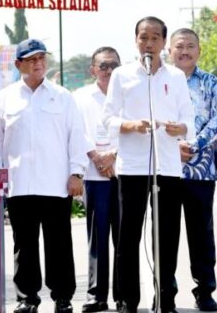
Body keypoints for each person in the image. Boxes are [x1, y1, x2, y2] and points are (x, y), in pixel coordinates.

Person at [0, 38, 89, 313]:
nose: (38, 63)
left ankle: (63, 298)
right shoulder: (5, 97)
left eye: (42, 58)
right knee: (24, 245)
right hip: (19, 184)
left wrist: (77, 172)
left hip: (56, 183)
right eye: (31, 59)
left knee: (59, 244)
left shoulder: (63, 96)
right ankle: (27, 298)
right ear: (19, 64)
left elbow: (76, 137)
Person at [102, 16, 195, 313]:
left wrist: (179, 129)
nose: (149, 43)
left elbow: (188, 119)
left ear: (164, 43)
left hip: (167, 167)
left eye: (155, 37)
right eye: (144, 37)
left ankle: (165, 296)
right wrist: (129, 125)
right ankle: (128, 300)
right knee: (128, 235)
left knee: (167, 236)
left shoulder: (176, 77)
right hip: (132, 167)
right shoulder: (122, 75)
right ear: (136, 41)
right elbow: (107, 119)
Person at [168, 28, 217, 311]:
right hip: (165, 169)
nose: (185, 51)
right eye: (179, 46)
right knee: (165, 235)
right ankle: (164, 291)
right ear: (170, 51)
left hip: (200, 171)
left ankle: (205, 291)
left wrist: (191, 143)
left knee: (201, 235)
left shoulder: (210, 82)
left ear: (199, 51)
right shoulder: (158, 82)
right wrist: (173, 146)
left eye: (191, 46)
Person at [73, 46, 122, 312]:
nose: (109, 70)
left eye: (114, 65)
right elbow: (77, 132)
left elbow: (135, 131)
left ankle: (124, 294)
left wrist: (112, 156)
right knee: (98, 238)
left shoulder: (128, 94)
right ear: (92, 69)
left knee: (124, 238)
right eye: (103, 66)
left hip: (125, 174)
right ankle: (96, 294)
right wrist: (97, 158)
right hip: (94, 176)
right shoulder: (80, 97)